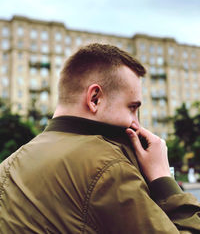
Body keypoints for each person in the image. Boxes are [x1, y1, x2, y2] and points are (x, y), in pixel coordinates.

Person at [0, 43, 199, 233]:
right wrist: (163, 179)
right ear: (94, 98)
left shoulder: (7, 167)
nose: (136, 123)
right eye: (132, 108)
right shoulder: (109, 168)